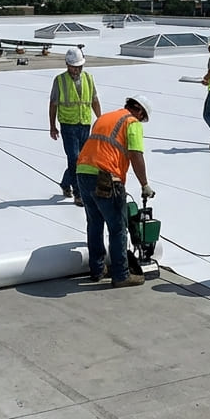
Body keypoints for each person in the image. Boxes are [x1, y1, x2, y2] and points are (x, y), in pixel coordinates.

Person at [75, 96, 155, 288]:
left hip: (83, 172)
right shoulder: (132, 122)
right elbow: (136, 154)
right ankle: (121, 274)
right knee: (118, 227)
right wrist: (144, 184)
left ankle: (97, 269)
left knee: (94, 223)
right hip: (106, 177)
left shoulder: (104, 118)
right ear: (140, 113)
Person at [49, 47, 101, 206]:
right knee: (75, 158)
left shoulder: (89, 78)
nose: (77, 69)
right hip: (68, 126)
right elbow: (53, 104)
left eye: (80, 66)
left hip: (85, 124)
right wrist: (52, 126)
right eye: (74, 66)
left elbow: (94, 100)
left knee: (81, 160)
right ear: (67, 64)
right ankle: (79, 193)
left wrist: (100, 120)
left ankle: (66, 183)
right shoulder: (60, 80)